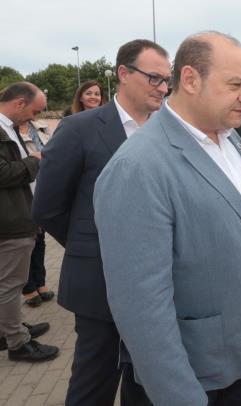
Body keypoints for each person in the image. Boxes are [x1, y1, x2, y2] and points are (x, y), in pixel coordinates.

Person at [94, 31, 241, 406]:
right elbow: (141, 308)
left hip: (237, 365)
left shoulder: (230, 139)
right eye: (235, 85)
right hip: (191, 383)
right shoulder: (138, 167)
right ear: (191, 79)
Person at [32, 39, 171, 405]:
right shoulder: (79, 128)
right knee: (94, 383)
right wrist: (91, 247)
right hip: (99, 284)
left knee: (146, 383)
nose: (163, 88)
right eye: (155, 78)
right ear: (123, 74)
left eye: (166, 80)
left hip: (160, 284)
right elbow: (47, 206)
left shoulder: (169, 131)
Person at [0, 82, 58, 362]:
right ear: (19, 103)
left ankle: (9, 329)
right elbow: (4, 174)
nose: (34, 119)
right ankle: (17, 343)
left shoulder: (8, 128)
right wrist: (36, 159)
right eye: (34, 111)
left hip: (17, 215)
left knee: (7, 283)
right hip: (10, 222)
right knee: (11, 285)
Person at [18, 119, 54, 307]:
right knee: (25, 244)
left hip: (41, 187)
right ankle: (28, 288)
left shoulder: (39, 127)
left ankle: (40, 282)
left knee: (39, 240)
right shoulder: (8, 130)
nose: (37, 112)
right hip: (22, 191)